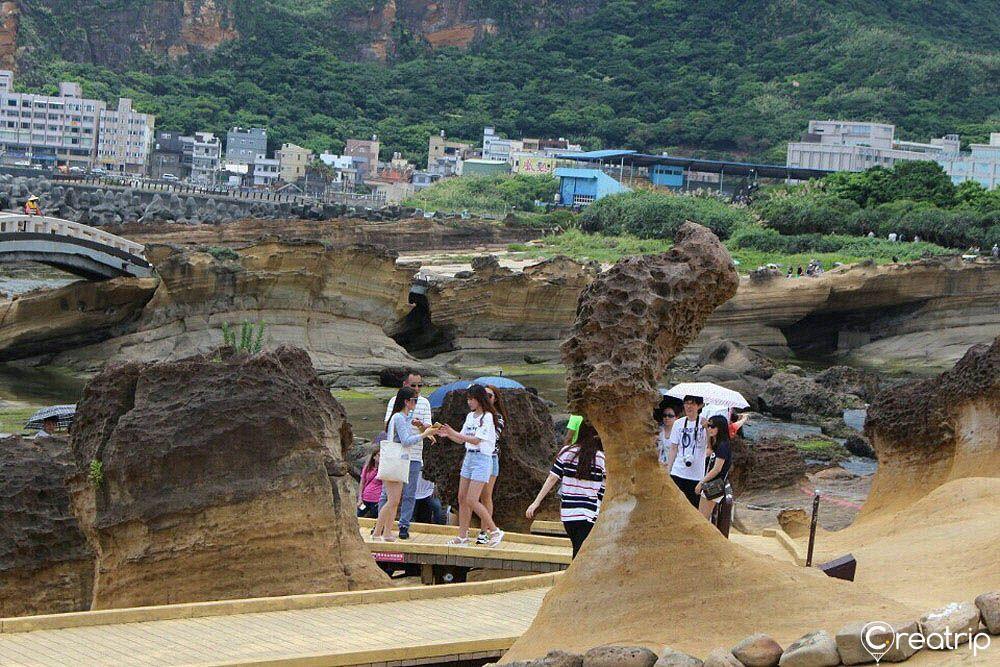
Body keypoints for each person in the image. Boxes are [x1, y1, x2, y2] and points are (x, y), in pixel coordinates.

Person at [525, 421, 606, 558]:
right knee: (582, 553)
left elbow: (552, 478)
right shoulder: (600, 457)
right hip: (589, 513)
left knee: (578, 548)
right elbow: (605, 486)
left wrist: (536, 502)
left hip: (568, 514)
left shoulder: (566, 452)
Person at [437, 384, 504, 547]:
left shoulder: (488, 417)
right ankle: (462, 536)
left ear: (479, 399)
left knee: (473, 499)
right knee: (462, 497)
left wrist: (453, 433)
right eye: (468, 399)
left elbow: (477, 440)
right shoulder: (470, 417)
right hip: (469, 458)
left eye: (471, 399)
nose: (469, 402)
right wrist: (448, 435)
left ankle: (495, 530)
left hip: (482, 459)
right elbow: (462, 439)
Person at [373, 387, 438, 542]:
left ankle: (387, 532)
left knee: (394, 500)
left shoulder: (403, 417)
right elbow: (406, 441)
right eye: (413, 400)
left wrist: (418, 425)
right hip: (395, 461)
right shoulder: (399, 417)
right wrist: (424, 434)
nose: (415, 403)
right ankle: (378, 532)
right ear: (406, 401)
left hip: (398, 461)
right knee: (392, 500)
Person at [664, 395, 709, 508]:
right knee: (673, 504)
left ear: (699, 406)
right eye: (686, 403)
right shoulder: (678, 423)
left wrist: (707, 428)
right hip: (678, 471)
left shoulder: (704, 423)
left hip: (696, 474)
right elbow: (673, 447)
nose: (689, 406)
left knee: (693, 507)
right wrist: (669, 469)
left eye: (692, 403)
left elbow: (710, 446)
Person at [697, 415, 734, 521]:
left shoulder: (723, 446)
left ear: (720, 428)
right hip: (713, 483)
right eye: (709, 426)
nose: (710, 429)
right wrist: (706, 429)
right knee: (703, 516)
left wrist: (701, 482)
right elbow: (710, 448)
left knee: (702, 517)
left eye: (713, 427)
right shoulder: (719, 443)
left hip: (715, 484)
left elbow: (717, 469)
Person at [357, 447, 382, 519]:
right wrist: (360, 498)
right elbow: (362, 482)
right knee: (359, 515)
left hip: (377, 499)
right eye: (379, 455)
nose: (381, 458)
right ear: (374, 457)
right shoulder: (368, 468)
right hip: (365, 498)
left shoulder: (384, 471)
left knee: (375, 517)